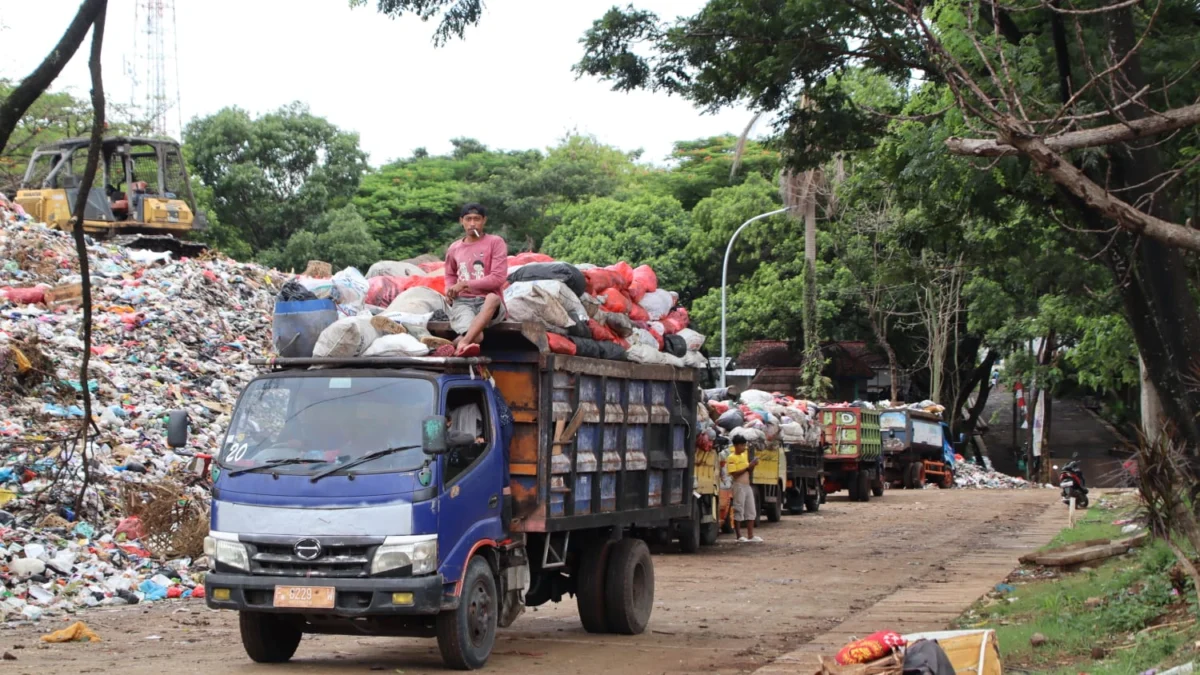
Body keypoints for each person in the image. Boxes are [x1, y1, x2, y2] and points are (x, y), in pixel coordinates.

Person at [441, 203, 508, 357]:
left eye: (476, 219)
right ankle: (461, 343)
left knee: (493, 298)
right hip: (463, 302)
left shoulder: (495, 242)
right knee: (477, 337)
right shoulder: (454, 248)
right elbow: (450, 275)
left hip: (489, 306)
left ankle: (460, 343)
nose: (472, 223)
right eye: (468, 219)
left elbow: (497, 279)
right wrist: (450, 289)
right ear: (461, 221)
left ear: (484, 220)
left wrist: (464, 284)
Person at [725, 435, 762, 543]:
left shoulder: (743, 455)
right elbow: (735, 474)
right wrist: (747, 467)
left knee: (751, 510)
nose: (744, 447)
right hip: (738, 485)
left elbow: (748, 471)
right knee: (739, 509)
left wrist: (752, 465)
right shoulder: (732, 458)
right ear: (736, 446)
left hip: (747, 486)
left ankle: (751, 535)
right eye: (742, 445)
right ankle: (739, 536)